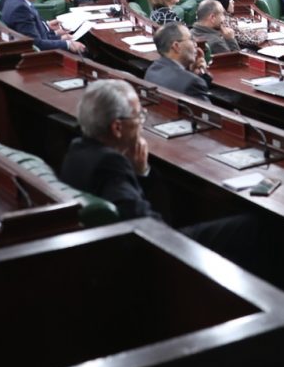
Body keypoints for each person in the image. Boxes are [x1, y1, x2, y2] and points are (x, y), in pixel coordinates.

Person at [59, 79, 269, 271]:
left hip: (119, 250)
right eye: (139, 116)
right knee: (253, 226)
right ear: (117, 127)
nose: (142, 122)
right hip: (154, 260)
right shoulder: (111, 164)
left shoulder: (77, 148)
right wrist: (141, 172)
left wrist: (141, 173)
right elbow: (154, 226)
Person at [145, 22, 237, 108]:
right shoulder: (191, 82)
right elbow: (212, 117)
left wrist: (194, 73)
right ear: (176, 46)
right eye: (191, 39)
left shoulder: (152, 69)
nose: (195, 44)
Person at [0, 0, 85, 54]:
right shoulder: (20, 9)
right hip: (41, 57)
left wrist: (49, 29)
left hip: (42, 46)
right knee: (85, 50)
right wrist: (68, 44)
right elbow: (37, 44)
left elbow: (35, 33)